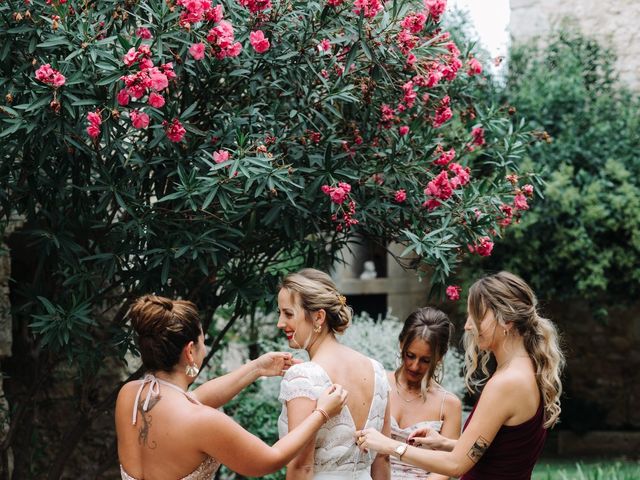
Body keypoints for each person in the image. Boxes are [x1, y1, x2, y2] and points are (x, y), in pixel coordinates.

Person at [355, 271, 565, 480]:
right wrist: (445, 443)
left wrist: (388, 445)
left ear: (506, 320)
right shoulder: (526, 370)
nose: (468, 325)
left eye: (477, 316)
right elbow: (503, 452)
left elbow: (456, 465)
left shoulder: (507, 383)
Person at [115, 295, 348, 480]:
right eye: (203, 341)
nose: (204, 349)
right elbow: (271, 459)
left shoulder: (130, 395)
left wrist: (256, 368)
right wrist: (322, 413)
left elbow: (191, 400)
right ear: (189, 351)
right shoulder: (203, 422)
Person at [276, 268, 391, 479]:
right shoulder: (377, 371)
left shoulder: (302, 377)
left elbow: (302, 467)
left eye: (288, 313)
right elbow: (382, 458)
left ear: (319, 317)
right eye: (279, 313)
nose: (280, 323)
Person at [387, 307, 462, 479]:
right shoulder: (378, 383)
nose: (414, 366)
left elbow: (444, 467)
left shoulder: (449, 405)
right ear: (401, 344)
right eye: (410, 355)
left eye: (425, 360)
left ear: (440, 357)